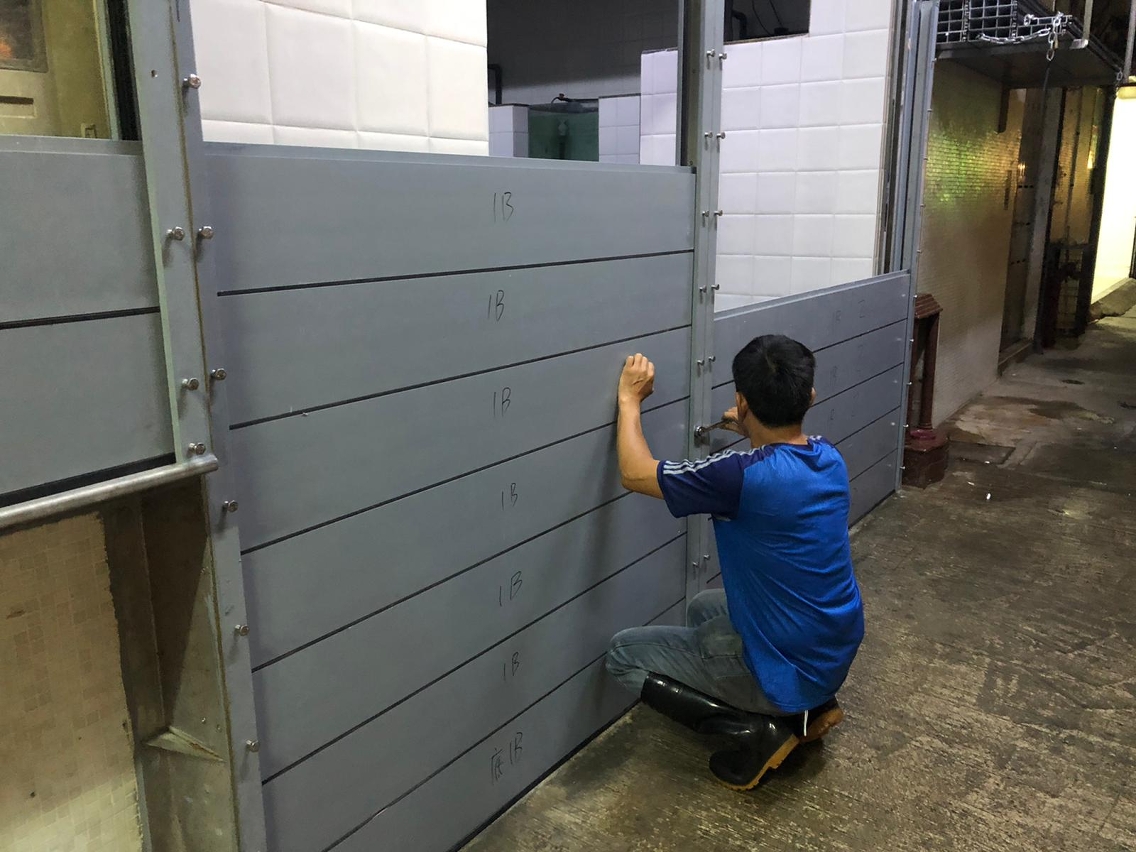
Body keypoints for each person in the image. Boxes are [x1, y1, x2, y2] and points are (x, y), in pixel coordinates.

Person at [605, 334, 864, 791]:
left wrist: (629, 400)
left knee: (622, 655)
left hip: (786, 664)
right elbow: (779, 461)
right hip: (830, 650)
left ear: (741, 402)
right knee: (702, 607)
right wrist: (750, 427)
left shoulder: (737, 478)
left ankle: (759, 730)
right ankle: (813, 705)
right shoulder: (828, 458)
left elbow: (634, 472)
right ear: (809, 396)